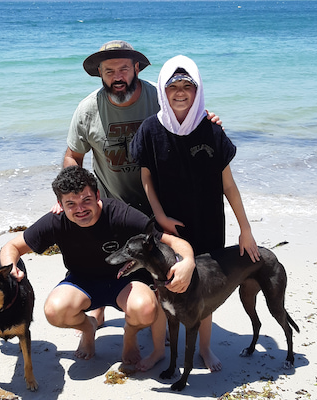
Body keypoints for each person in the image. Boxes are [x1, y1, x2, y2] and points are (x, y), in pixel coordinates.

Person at [57, 40, 222, 328]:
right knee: (110, 258)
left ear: (136, 68)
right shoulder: (86, 109)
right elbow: (73, 156)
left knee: (161, 264)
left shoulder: (157, 97)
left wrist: (206, 120)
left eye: (123, 68)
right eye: (109, 71)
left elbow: (186, 113)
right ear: (100, 74)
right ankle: (101, 306)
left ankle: (163, 314)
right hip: (112, 202)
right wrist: (71, 197)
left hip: (161, 201)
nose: (117, 77)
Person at [130, 55, 260, 372]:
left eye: (187, 85)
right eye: (173, 85)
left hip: (207, 223)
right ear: (162, 89)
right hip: (167, 227)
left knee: (202, 289)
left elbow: (229, 186)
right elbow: (146, 179)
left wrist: (246, 229)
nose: (180, 92)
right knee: (163, 287)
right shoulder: (150, 129)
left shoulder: (212, 131)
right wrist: (159, 216)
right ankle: (160, 348)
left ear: (197, 89)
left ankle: (204, 348)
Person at [0, 165, 196, 371]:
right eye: (71, 204)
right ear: (60, 204)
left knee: (146, 309)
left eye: (86, 200)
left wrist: (188, 261)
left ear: (97, 195)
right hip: (82, 282)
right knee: (54, 312)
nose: (80, 209)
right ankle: (88, 328)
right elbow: (12, 246)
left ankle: (129, 336)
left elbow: (172, 242)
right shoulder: (55, 221)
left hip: (125, 282)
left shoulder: (121, 215)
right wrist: (10, 267)